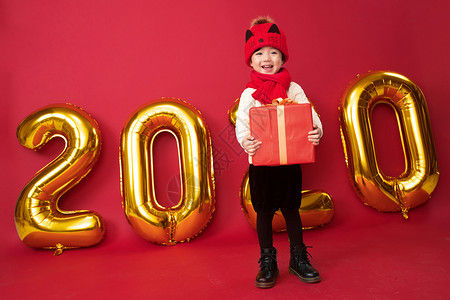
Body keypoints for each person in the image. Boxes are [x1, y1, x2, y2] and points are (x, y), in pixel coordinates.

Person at [235, 17, 323, 289]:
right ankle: (268, 260)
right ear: (251, 61)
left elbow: (311, 116)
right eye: (259, 53)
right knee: (264, 212)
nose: (266, 57)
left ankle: (298, 258)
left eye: (273, 52)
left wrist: (316, 131)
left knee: (291, 209)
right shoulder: (250, 93)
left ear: (282, 57)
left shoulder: (293, 89)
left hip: (289, 163)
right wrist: (246, 142)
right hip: (262, 164)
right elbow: (243, 125)